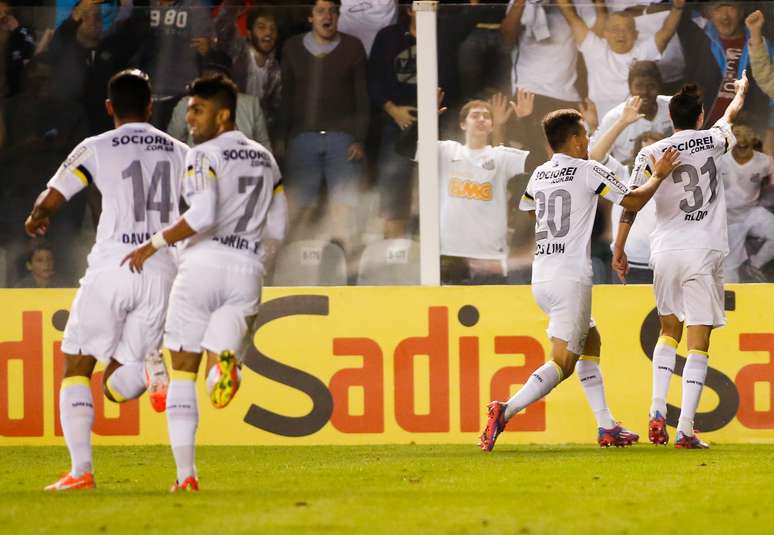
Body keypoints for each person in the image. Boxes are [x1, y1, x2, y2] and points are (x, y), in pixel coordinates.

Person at [122, 74, 287, 492]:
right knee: (221, 359)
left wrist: (153, 244)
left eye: (198, 109)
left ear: (224, 114)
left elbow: (202, 215)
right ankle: (225, 371)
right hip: (248, 271)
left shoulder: (202, 155)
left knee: (182, 374)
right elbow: (280, 226)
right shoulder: (267, 158)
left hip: (202, 267)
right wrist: (253, 254)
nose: (189, 117)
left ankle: (186, 476)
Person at [25, 70, 189, 491]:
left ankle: (81, 471)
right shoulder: (179, 150)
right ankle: (153, 374)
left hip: (114, 265)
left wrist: (38, 216)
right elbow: (203, 211)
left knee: (78, 364)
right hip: (161, 269)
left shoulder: (96, 146)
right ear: (151, 106)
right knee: (118, 384)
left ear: (110, 107)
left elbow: (57, 195)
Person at [480, 108, 680, 452]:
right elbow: (632, 200)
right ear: (573, 141)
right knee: (563, 363)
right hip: (570, 277)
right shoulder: (589, 170)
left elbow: (530, 208)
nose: (588, 142)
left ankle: (606, 426)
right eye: (585, 135)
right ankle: (507, 409)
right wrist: (658, 175)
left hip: (542, 275)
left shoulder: (540, 174)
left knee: (592, 340)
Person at [613, 73, 749, 449]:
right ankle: (685, 428)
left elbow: (632, 203)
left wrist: (618, 248)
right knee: (699, 342)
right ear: (700, 116)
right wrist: (738, 93)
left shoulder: (650, 153)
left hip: (665, 250)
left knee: (668, 330)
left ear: (670, 118)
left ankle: (657, 410)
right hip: (703, 249)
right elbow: (731, 116)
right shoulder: (713, 139)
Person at [280, 0, 368, 250]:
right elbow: (286, 97)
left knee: (344, 210)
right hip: (302, 138)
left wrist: (360, 138)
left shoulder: (352, 47)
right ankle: (296, 270)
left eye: (333, 11)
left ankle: (344, 271)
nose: (328, 16)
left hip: (343, 140)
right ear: (310, 17)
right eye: (321, 11)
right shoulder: (292, 47)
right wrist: (282, 140)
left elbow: (362, 97)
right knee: (299, 211)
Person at [439, 93, 531, 284]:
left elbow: (538, 161)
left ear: (492, 125)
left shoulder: (500, 156)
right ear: (463, 124)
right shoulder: (447, 151)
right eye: (475, 115)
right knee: (447, 310)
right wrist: (429, 118)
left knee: (494, 313)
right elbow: (404, 148)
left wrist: (526, 120)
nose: (481, 119)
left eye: (486, 116)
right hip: (450, 252)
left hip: (490, 257)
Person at [558, 0, 684, 119]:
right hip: (603, 119)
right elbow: (572, 17)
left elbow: (665, 34)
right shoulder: (595, 49)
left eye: (626, 29)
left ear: (635, 34)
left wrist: (677, 8)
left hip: (637, 119)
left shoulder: (642, 51)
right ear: (606, 33)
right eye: (615, 29)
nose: (621, 34)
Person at [166, 50, 271, 149]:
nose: (213, 81)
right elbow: (171, 146)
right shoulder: (186, 104)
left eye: (218, 76)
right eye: (208, 76)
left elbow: (265, 148)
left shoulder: (251, 104)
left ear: (229, 80)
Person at [215, 3, 282, 144]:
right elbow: (222, 25)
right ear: (249, 33)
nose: (268, 33)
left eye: (272, 29)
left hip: (258, 134)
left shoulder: (276, 70)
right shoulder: (238, 52)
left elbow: (275, 110)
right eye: (261, 27)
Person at [590, 60, 674, 167]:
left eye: (651, 86)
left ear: (659, 86)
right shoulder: (614, 117)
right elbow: (594, 157)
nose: (644, 92)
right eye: (639, 86)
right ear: (630, 88)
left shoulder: (674, 106)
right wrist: (622, 122)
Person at [720, 124, 774, 282]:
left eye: (747, 133)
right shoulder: (720, 160)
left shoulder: (765, 161)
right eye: (736, 134)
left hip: (751, 212)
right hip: (727, 220)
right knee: (730, 275)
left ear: (754, 138)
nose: (742, 139)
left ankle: (754, 265)